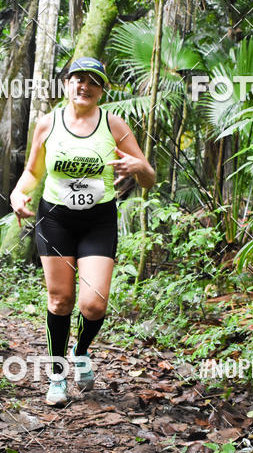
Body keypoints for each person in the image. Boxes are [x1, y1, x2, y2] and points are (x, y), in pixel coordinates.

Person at [10, 57, 155, 405]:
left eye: (93, 81)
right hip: (55, 219)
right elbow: (32, 172)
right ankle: (57, 376)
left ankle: (81, 350)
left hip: (97, 219)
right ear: (66, 85)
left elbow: (148, 177)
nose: (84, 86)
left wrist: (138, 166)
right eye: (77, 79)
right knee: (60, 301)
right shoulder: (48, 124)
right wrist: (18, 193)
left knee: (93, 305)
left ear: (102, 90)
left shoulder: (114, 124)